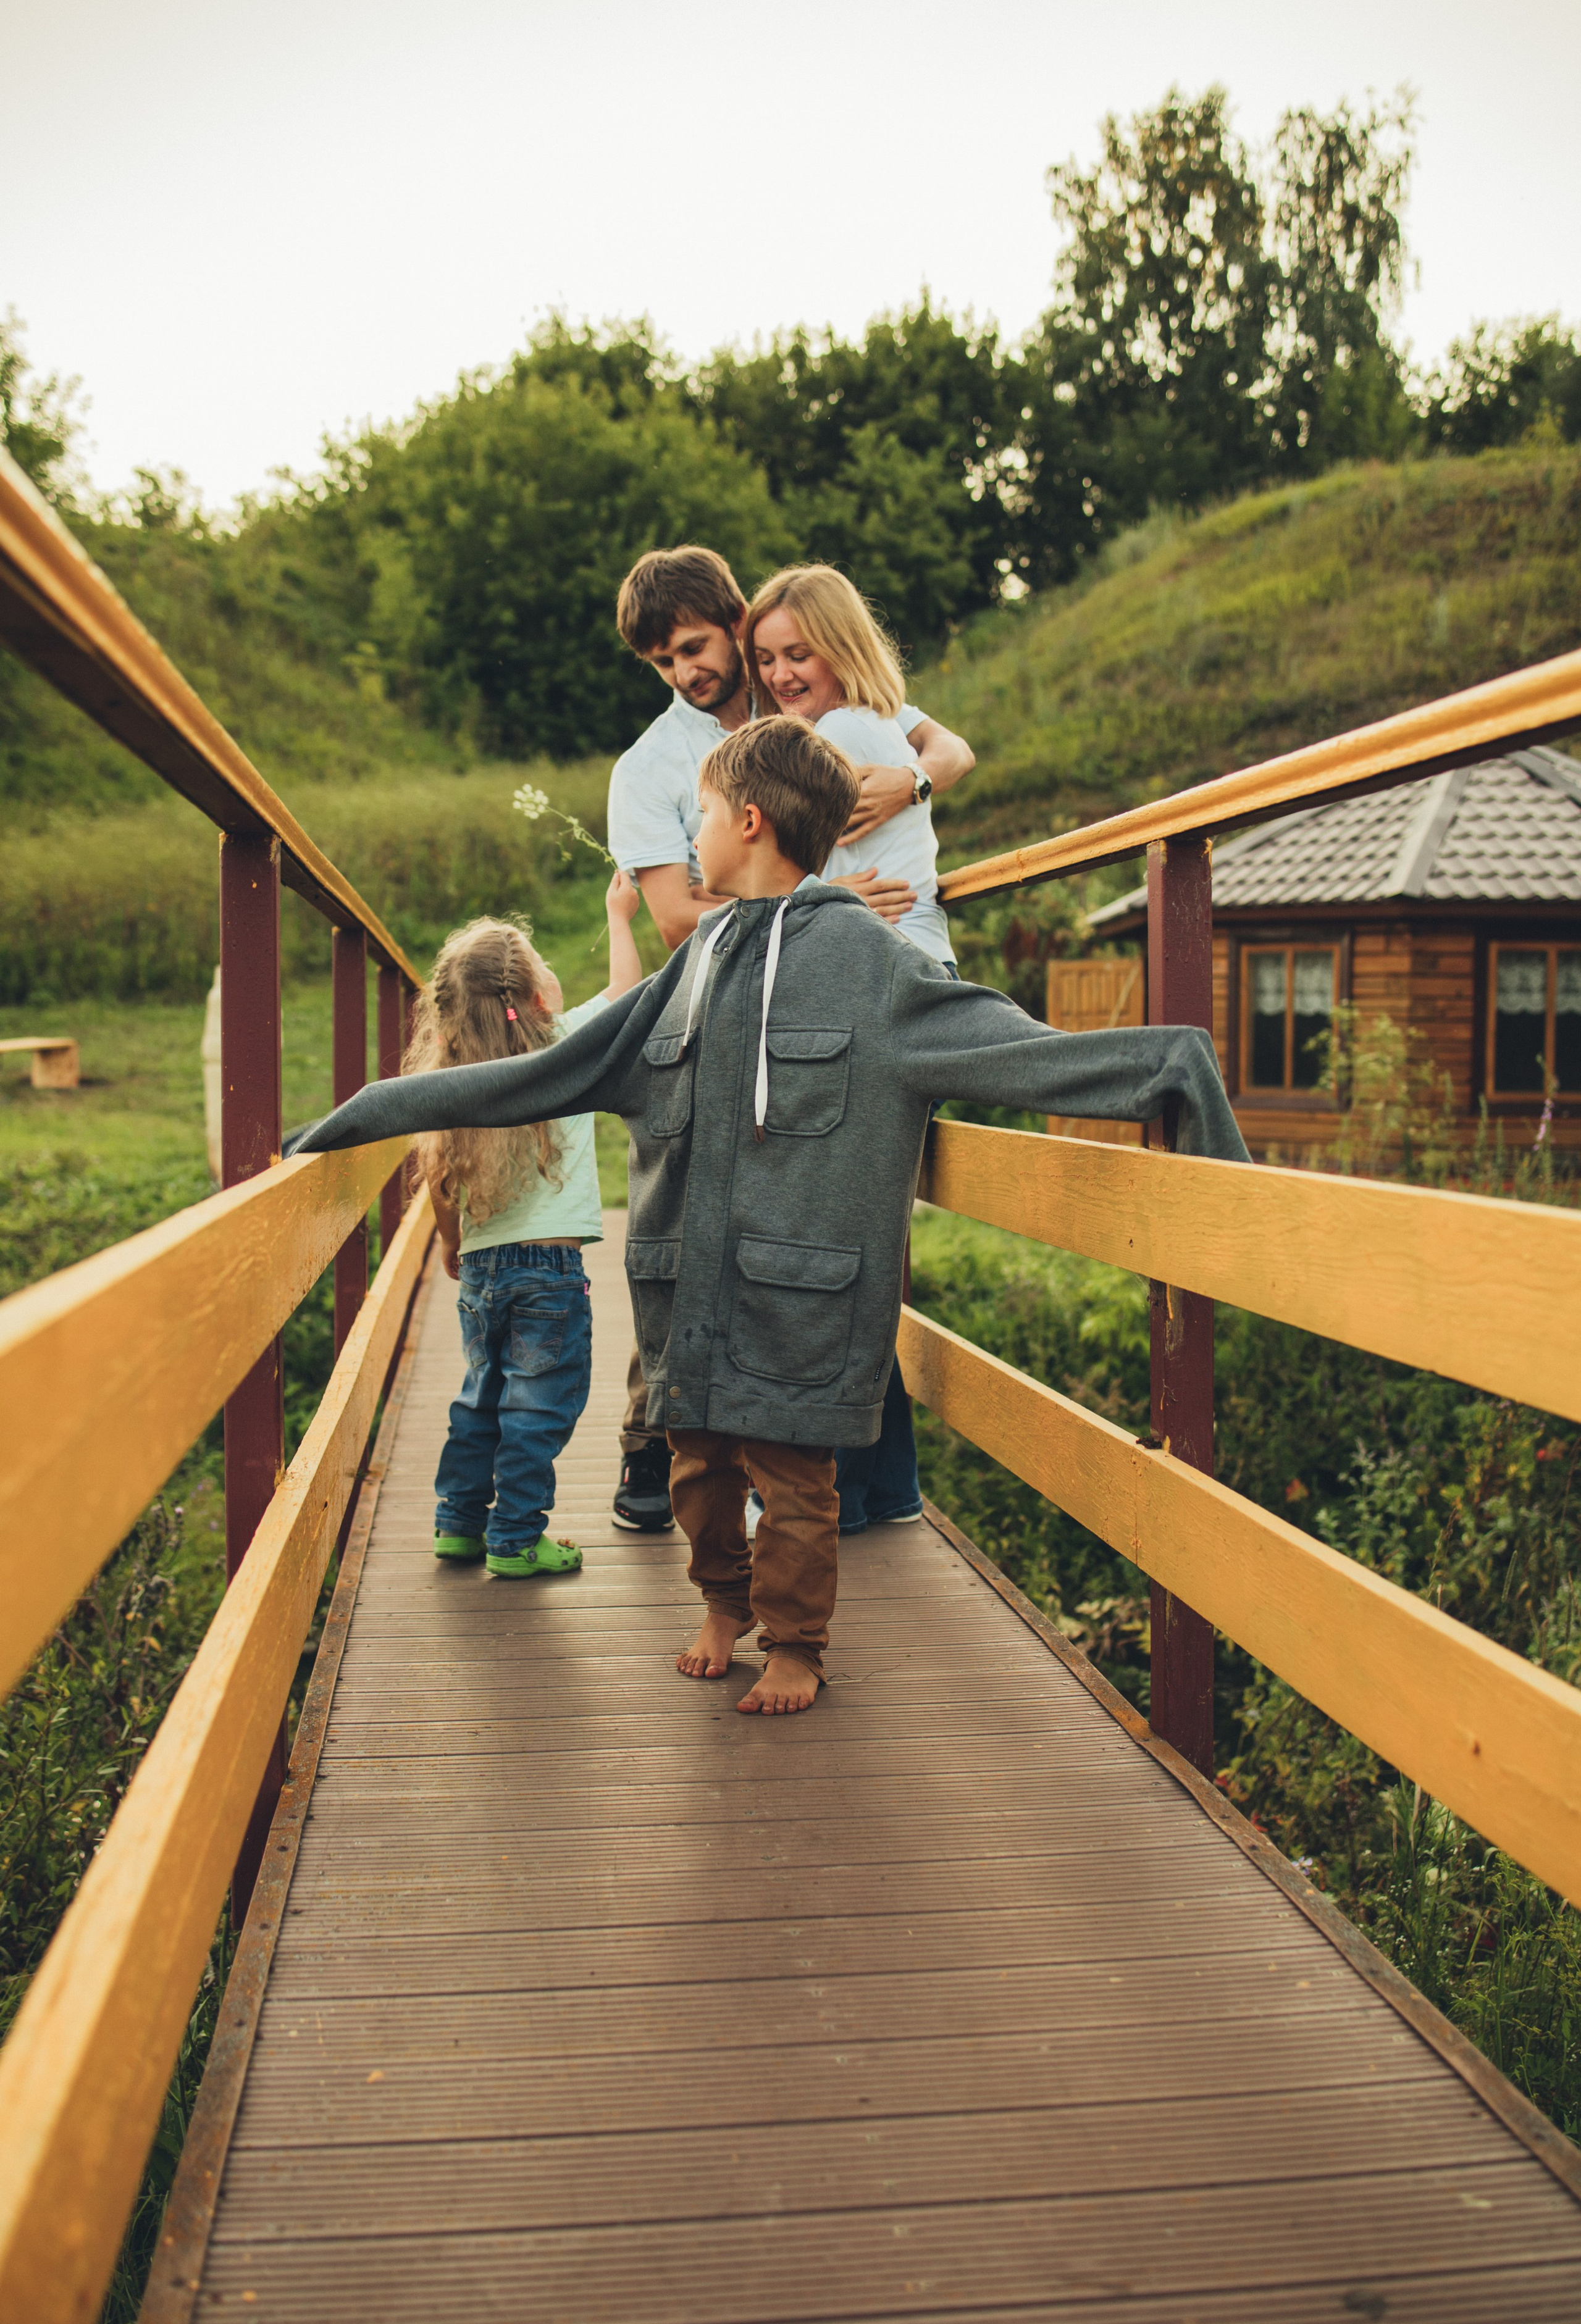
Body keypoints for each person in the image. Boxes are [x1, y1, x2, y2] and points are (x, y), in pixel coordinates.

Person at [292, 716, 1250, 1716]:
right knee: (696, 1474)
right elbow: (532, 1077)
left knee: (794, 1485)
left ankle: (795, 1644)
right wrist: (356, 1121)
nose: (692, 830)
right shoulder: (692, 969)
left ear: (747, 822)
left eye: (700, 812)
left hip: (801, 1306)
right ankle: (722, 1607)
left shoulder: (871, 965)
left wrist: (1175, 1069)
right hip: (686, 1298)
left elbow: (1019, 1050)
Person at [605, 543, 976, 1534]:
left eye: (695, 646)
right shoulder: (651, 768)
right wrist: (826, 902)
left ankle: (855, 1481)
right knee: (726, 1207)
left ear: (736, 620)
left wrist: (915, 786)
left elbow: (943, 748)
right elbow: (680, 918)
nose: (687, 672)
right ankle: (663, 1442)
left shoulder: (812, 703)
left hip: (834, 991)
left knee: (838, 1217)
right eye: (662, 662)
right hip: (731, 995)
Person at [744, 563, 953, 1535]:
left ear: (840, 643)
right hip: (897, 983)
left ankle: (826, 1496)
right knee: (855, 1243)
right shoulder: (877, 722)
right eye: (769, 659)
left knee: (818, 1248)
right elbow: (942, 751)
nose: (784, 673)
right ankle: (875, 1489)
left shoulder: (835, 741)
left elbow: (778, 870)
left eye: (799, 652)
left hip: (874, 990)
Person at [414, 871, 644, 1579]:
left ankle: (458, 1524)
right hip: (549, 1274)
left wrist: (452, 1245)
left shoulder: (450, 1075)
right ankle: (514, 1537)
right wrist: (619, 914)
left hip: (482, 1268)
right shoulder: (564, 1049)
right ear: (538, 997)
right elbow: (629, 996)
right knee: (539, 1407)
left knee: (480, 1394)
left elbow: (438, 1182)